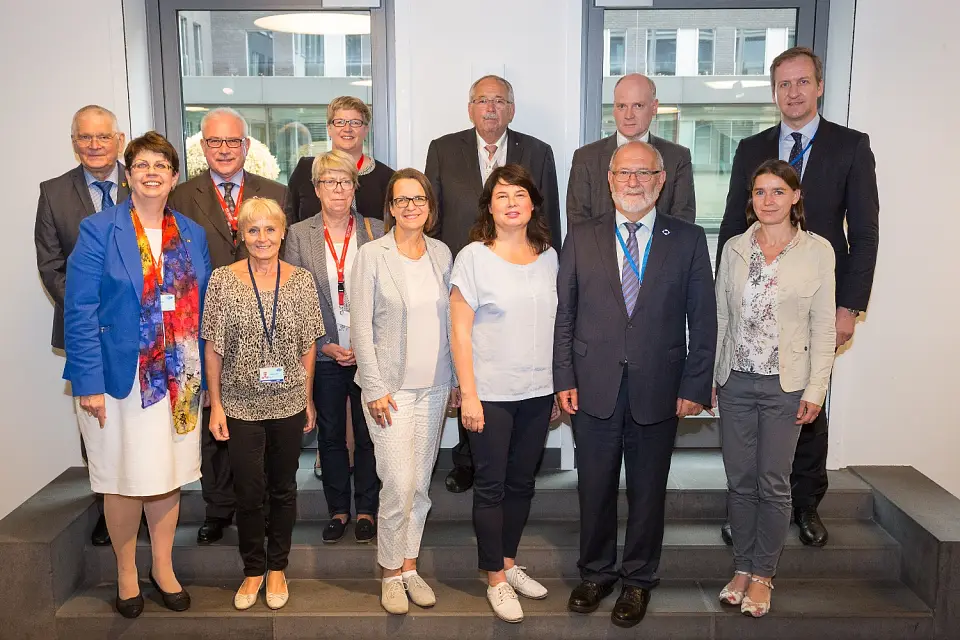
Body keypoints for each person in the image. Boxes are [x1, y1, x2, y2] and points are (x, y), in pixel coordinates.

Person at [716, 46, 880, 548]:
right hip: (757, 304)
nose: (793, 92)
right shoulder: (751, 147)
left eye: (802, 82)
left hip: (818, 300)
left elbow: (866, 232)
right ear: (774, 92)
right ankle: (744, 514)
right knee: (748, 423)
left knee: (809, 404)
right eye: (784, 84)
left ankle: (806, 504)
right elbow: (730, 226)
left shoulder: (850, 146)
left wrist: (849, 306)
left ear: (819, 86)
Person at [554, 141, 716, 628]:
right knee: (595, 487)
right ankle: (596, 573)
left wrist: (694, 383)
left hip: (659, 387)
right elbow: (566, 314)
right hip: (593, 384)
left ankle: (639, 579)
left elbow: (703, 320)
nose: (633, 182)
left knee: (649, 491)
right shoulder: (581, 236)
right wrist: (564, 375)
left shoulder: (687, 239)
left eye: (643, 174)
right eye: (624, 173)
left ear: (660, 181)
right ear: (609, 178)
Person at [63, 131, 212, 618]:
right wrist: (87, 383)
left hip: (178, 380)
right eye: (142, 165)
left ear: (173, 177)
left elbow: (205, 309)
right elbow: (80, 308)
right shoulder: (99, 229)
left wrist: (205, 382)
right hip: (118, 380)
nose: (151, 173)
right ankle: (127, 571)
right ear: (129, 175)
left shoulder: (191, 232)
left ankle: (163, 568)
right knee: (123, 477)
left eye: (161, 166)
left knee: (167, 475)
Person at [425, 74, 561, 494]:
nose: (490, 108)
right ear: (470, 108)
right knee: (470, 356)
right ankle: (468, 459)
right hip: (464, 271)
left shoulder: (538, 151)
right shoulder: (444, 149)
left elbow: (549, 215)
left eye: (499, 100)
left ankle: (518, 459)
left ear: (511, 108)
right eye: (482, 100)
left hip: (521, 268)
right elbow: (434, 217)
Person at [714, 159, 836, 617]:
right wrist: (714, 377)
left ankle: (764, 573)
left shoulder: (817, 251)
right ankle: (742, 566)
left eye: (777, 192)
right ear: (752, 199)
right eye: (760, 192)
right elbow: (721, 318)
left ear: (795, 197)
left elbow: (824, 328)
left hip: (787, 385)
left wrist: (815, 390)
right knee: (740, 481)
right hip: (736, 382)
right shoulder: (733, 249)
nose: (768, 201)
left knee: (773, 481)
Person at [169, 106, 290, 545]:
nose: (224, 150)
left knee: (267, 419)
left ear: (246, 145)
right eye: (215, 142)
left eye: (233, 141)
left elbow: (284, 255)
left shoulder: (275, 190)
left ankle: (265, 504)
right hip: (207, 321)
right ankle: (219, 508)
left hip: (268, 323)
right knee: (214, 416)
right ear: (203, 147)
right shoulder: (182, 196)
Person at [450, 164, 559, 623]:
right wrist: (469, 395)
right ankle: (494, 576)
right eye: (501, 196)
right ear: (489, 207)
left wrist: (558, 387)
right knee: (491, 487)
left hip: (539, 392)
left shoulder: (550, 255)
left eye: (519, 194)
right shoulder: (473, 257)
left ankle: (510, 563)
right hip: (490, 393)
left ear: (532, 203)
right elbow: (459, 331)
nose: (511, 202)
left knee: (522, 484)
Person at [202, 197, 323, 611]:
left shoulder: (302, 281)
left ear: (283, 232)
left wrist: (307, 398)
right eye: (252, 230)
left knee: (283, 488)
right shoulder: (222, 280)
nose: (262, 238)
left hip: (288, 403)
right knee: (249, 491)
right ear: (241, 235)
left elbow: (309, 345)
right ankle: (253, 568)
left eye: (270, 229)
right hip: (239, 406)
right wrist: (215, 405)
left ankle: (277, 567)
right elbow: (213, 349)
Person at [350, 168, 459, 615]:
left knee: (420, 485)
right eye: (401, 200)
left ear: (429, 207)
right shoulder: (372, 255)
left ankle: (410, 567)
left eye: (418, 199)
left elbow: (451, 321)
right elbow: (360, 325)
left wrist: (454, 381)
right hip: (389, 391)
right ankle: (389, 572)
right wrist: (374, 386)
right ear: (390, 208)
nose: (410, 206)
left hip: (433, 388)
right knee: (397, 482)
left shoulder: (441, 252)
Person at [35, 104, 130, 548]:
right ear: (74, 142)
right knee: (96, 421)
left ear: (119, 140)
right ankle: (105, 508)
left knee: (141, 418)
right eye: (84, 137)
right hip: (87, 331)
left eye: (102, 137)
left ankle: (143, 504)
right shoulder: (53, 193)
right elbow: (51, 265)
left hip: (140, 330)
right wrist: (90, 313)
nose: (94, 145)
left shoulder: (145, 181)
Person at [285, 150, 382, 544]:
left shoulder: (376, 229)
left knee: (370, 432)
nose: (337, 189)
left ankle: (368, 511)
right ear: (316, 189)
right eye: (329, 182)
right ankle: (338, 510)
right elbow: (293, 300)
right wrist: (324, 345)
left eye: (344, 181)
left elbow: (386, 296)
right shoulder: (297, 234)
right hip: (322, 354)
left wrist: (366, 343)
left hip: (368, 353)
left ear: (354, 187)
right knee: (330, 436)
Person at [566, 74, 695, 227]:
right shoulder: (586, 158)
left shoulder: (677, 158)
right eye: (621, 106)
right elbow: (578, 224)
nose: (628, 115)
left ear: (654, 107)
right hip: (598, 250)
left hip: (662, 250)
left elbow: (683, 224)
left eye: (638, 106)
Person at [285, 96, 395, 224]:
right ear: (329, 128)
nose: (347, 129)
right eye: (339, 122)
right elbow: (290, 220)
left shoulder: (388, 178)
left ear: (366, 129)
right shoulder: (305, 170)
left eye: (355, 122)